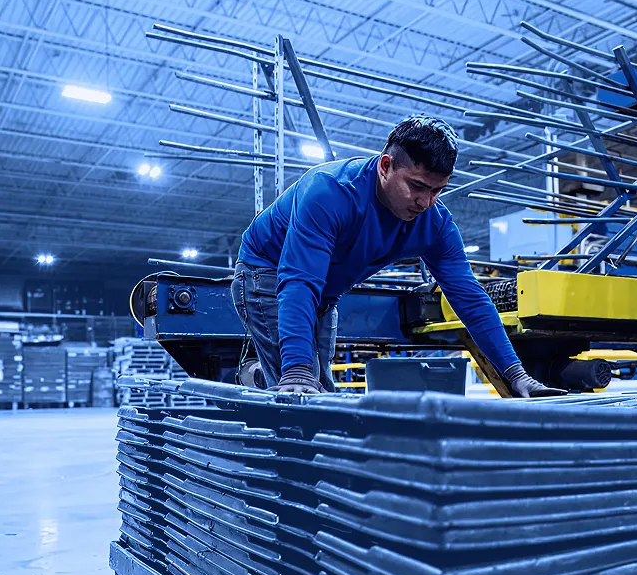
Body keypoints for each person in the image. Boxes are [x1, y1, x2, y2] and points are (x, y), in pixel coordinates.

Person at [232, 115, 563, 398]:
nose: (426, 202)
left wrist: (518, 374)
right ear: (385, 166)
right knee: (299, 388)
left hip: (324, 293)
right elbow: (300, 281)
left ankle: (261, 375)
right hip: (268, 271)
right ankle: (278, 407)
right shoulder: (330, 193)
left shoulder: (434, 224)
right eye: (417, 186)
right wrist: (296, 371)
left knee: (319, 388)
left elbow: (471, 300)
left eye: (437, 190)